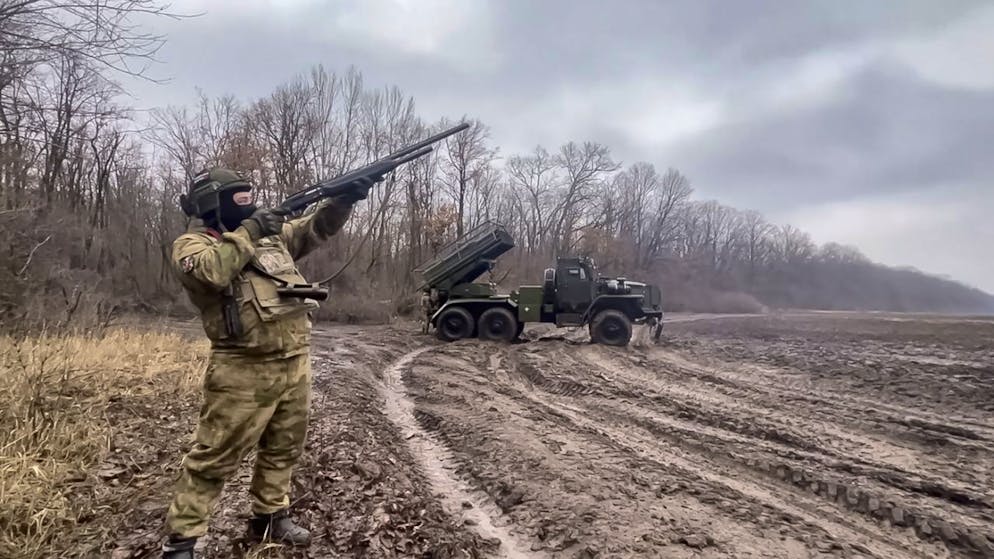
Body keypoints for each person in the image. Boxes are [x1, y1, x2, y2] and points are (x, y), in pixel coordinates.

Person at [161, 168, 373, 558]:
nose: (248, 200)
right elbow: (213, 273)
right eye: (238, 196)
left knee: (284, 447)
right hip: (242, 367)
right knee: (214, 456)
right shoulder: (191, 246)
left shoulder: (272, 239)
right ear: (215, 202)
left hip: (294, 362)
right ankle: (181, 541)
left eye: (249, 194)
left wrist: (345, 199)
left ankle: (270, 516)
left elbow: (314, 229)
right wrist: (250, 232)